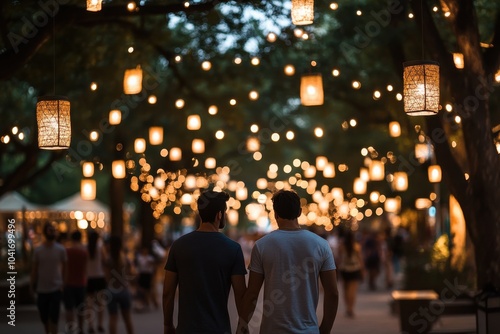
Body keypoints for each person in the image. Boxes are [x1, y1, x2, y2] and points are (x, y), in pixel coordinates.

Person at [241, 189, 339, 334]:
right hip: (308, 330)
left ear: (275, 214)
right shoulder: (321, 245)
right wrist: (325, 330)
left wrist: (241, 325)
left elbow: (252, 294)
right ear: (299, 212)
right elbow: (332, 293)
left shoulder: (262, 246)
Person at [162, 190, 247, 334]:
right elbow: (240, 295)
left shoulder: (179, 245)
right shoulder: (233, 249)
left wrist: (168, 325)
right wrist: (243, 327)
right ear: (219, 215)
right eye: (224, 212)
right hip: (219, 329)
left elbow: (168, 292)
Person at [30, 222, 67, 334]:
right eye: (49, 230)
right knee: (44, 317)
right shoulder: (38, 250)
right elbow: (34, 270)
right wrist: (32, 285)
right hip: (42, 289)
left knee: (54, 317)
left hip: (56, 288)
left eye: (53, 230)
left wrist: (63, 284)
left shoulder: (60, 249)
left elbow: (66, 267)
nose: (51, 232)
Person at [104, 235, 135, 334]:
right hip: (124, 290)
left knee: (113, 318)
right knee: (127, 319)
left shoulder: (108, 259)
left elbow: (107, 277)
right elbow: (132, 273)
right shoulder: (125, 258)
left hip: (112, 290)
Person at [63, 230, 89, 334]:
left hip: (68, 282)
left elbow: (63, 268)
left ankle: (70, 329)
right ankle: (81, 328)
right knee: (81, 308)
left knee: (69, 308)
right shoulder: (84, 252)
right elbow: (85, 269)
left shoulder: (66, 251)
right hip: (81, 282)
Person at [337, 229, 364, 318]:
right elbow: (360, 259)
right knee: (353, 291)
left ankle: (347, 308)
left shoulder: (341, 246)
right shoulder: (356, 246)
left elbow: (339, 258)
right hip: (354, 268)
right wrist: (363, 270)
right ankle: (351, 308)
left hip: (344, 269)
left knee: (345, 290)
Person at [86, 230, 107, 333]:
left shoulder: (85, 248)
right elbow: (105, 260)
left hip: (89, 277)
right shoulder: (100, 247)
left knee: (89, 303)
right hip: (99, 277)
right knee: (100, 303)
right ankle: (100, 324)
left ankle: (90, 325)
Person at [135, 246, 158, 310]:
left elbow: (153, 266)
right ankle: (145, 302)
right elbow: (138, 266)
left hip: (148, 274)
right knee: (142, 289)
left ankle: (153, 302)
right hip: (142, 274)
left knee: (149, 289)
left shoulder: (150, 258)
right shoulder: (139, 258)